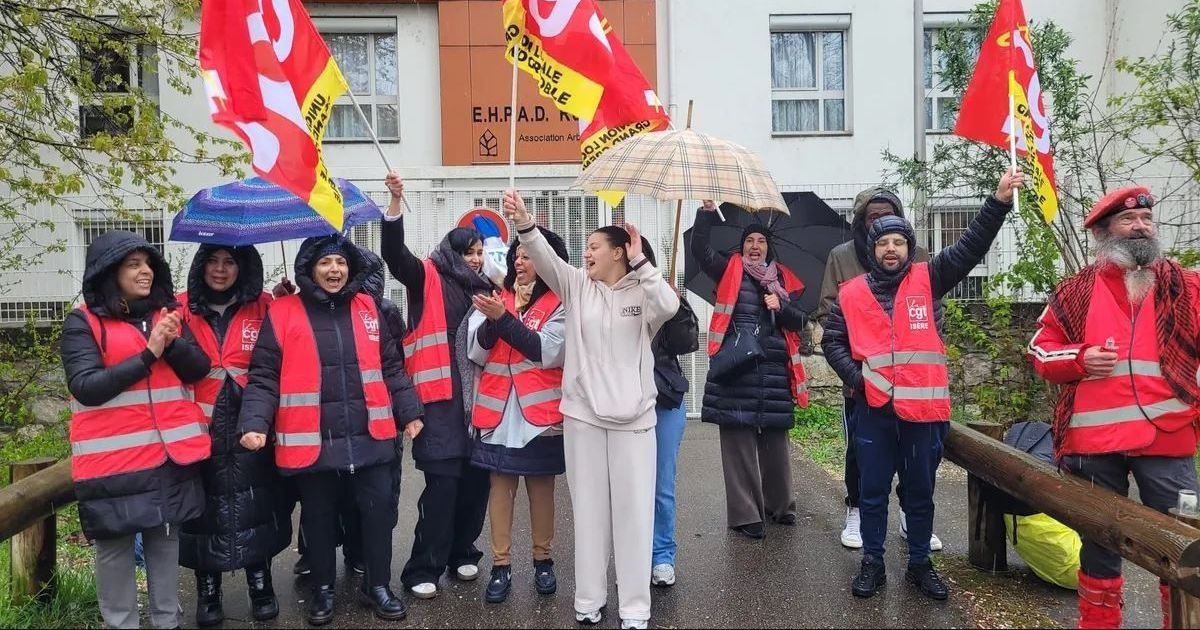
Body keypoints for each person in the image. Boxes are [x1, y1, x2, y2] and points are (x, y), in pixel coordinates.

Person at [822, 168, 1022, 601]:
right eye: (883, 242)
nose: (891, 249)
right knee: (872, 493)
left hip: (924, 414)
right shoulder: (851, 293)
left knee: (919, 493)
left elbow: (971, 246)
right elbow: (832, 341)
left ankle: (919, 565)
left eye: (898, 242)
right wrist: (856, 380)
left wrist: (998, 202)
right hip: (874, 412)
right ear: (871, 248)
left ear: (909, 248)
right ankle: (873, 563)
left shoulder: (929, 278)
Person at [502, 190, 679, 630]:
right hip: (583, 415)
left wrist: (643, 263)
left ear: (619, 252)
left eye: (595, 246)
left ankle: (634, 607)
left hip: (635, 420)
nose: (587, 253)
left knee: (634, 514)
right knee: (589, 512)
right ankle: (589, 600)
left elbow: (669, 306)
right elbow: (545, 259)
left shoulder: (644, 289)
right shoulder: (577, 285)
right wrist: (524, 222)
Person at [1026, 185, 1200, 629]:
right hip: (1094, 441)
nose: (1140, 226)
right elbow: (1040, 351)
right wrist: (1080, 358)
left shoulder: (1188, 288)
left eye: (1146, 219)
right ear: (1104, 232)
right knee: (1099, 545)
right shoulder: (1074, 292)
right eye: (1128, 220)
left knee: (1184, 547)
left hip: (1167, 439)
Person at [238, 235, 423, 626]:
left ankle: (378, 586)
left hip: (370, 435)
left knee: (378, 513)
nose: (334, 270)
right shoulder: (283, 312)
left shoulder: (368, 307)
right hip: (312, 440)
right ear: (309, 269)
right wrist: (254, 422)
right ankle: (322, 590)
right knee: (318, 519)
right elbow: (264, 375)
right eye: (325, 263)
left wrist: (409, 411)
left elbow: (391, 366)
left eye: (340, 262)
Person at [61, 231, 212, 629]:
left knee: (165, 542)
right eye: (134, 265)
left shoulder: (166, 315)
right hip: (113, 462)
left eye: (148, 264)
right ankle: (121, 624)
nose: (145, 271)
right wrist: (148, 354)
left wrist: (171, 343)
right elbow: (87, 387)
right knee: (115, 551)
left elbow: (199, 369)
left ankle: (167, 622)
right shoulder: (83, 322)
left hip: (168, 455)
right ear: (109, 272)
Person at [381, 174, 495, 599]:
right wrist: (395, 204)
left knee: (476, 484)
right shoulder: (426, 275)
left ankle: (463, 550)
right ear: (452, 252)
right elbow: (395, 256)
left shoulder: (490, 289)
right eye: (469, 252)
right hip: (439, 402)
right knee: (442, 487)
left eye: (480, 252)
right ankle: (422, 567)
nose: (476, 260)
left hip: (481, 403)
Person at [177, 245, 292, 627]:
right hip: (200, 424)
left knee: (257, 503)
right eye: (213, 261)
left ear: (242, 267)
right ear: (201, 265)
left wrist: (291, 304)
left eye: (229, 262)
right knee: (203, 510)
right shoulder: (179, 308)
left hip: (251, 421)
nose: (220, 269)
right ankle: (207, 589)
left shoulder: (265, 306)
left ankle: (260, 583)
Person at [815, 187, 935, 551]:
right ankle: (855, 509)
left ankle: (909, 514)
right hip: (863, 381)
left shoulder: (919, 256)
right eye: (872, 217)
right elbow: (828, 313)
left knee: (917, 455)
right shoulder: (841, 257)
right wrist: (858, 366)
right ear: (860, 222)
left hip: (914, 384)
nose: (880, 222)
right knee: (861, 452)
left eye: (888, 215)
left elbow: (934, 310)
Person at [691, 202, 809, 540]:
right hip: (737, 366)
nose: (755, 246)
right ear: (741, 247)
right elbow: (700, 250)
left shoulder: (783, 278)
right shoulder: (728, 269)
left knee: (775, 440)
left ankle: (780, 505)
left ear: (768, 247)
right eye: (749, 241)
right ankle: (746, 514)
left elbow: (801, 320)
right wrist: (706, 214)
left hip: (773, 368)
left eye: (760, 241)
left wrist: (781, 306)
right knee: (738, 439)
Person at [466, 228, 569, 604]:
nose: (519, 261)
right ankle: (501, 565)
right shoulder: (498, 296)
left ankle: (543, 560)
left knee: (541, 489)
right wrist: (494, 319)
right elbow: (476, 350)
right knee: (500, 488)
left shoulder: (561, 302)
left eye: (528, 255)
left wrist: (504, 320)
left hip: (539, 414)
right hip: (498, 412)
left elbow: (548, 351)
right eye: (517, 255)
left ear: (548, 261)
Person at [645, 244, 700, 588]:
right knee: (626, 487)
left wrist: (676, 305)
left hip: (663, 399)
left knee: (661, 484)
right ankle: (634, 554)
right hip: (622, 405)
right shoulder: (607, 297)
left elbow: (686, 342)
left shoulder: (662, 295)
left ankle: (662, 555)